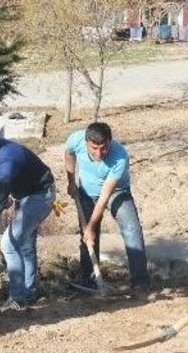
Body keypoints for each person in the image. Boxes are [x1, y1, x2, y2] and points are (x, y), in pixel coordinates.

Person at [0, 125, 56, 310]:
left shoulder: (8, 158)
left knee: (9, 243)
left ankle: (17, 298)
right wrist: (4, 195)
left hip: (41, 195)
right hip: (23, 195)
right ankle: (29, 292)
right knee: (25, 244)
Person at [64, 122, 151, 294]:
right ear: (86, 142)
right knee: (88, 237)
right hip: (86, 192)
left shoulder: (120, 156)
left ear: (110, 142)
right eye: (94, 148)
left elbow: (104, 196)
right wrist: (71, 181)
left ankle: (140, 282)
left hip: (116, 191)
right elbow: (68, 154)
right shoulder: (75, 139)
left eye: (103, 148)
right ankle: (89, 280)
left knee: (131, 228)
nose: (99, 153)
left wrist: (90, 226)